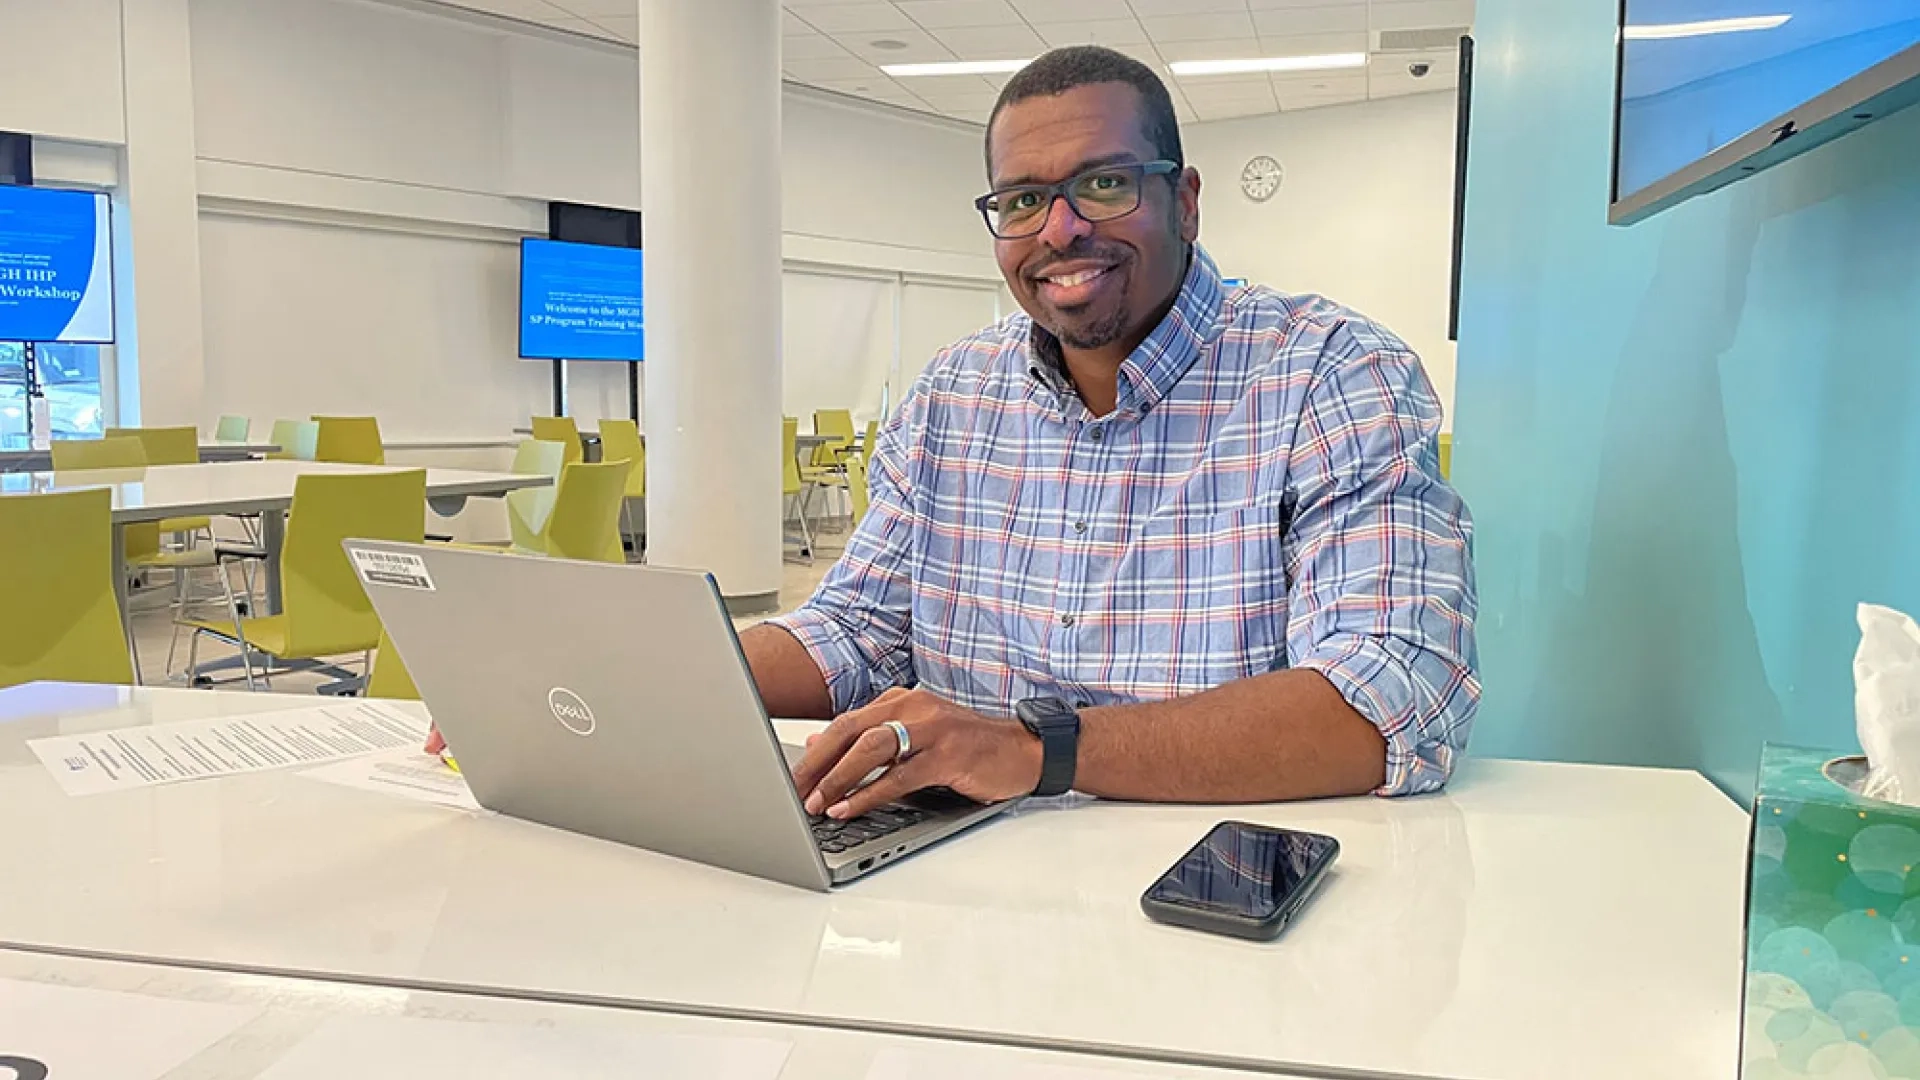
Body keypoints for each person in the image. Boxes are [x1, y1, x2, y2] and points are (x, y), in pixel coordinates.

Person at [760, 44, 1478, 820]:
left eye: (1105, 184)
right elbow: (853, 630)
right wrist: (660, 673)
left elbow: (1393, 692)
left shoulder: (1328, 374)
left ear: (1186, 200)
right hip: (953, 885)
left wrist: (1033, 752)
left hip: (1215, 887)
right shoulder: (950, 394)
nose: (1060, 230)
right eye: (1022, 200)